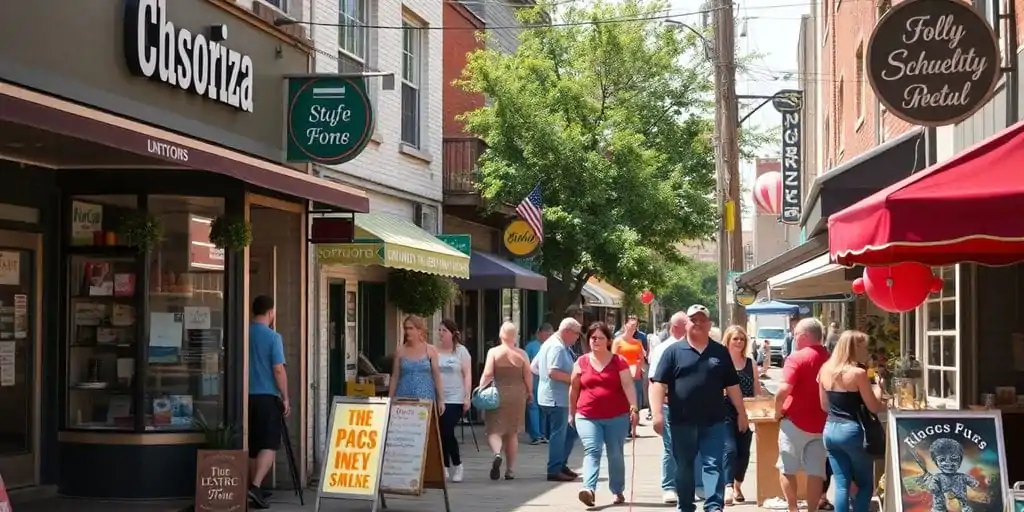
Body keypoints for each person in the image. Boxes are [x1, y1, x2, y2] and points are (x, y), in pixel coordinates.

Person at [651, 305, 749, 512]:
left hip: (713, 421)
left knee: (714, 465)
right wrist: (657, 413)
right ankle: (686, 505)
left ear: (709, 324)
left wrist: (742, 412)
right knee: (684, 467)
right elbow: (658, 383)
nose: (697, 323)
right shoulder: (673, 352)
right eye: (693, 319)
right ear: (686, 323)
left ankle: (714, 507)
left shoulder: (720, 352)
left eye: (702, 319)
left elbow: (732, 385)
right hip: (681, 422)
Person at [570, 321, 640, 506]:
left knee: (615, 453)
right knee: (592, 450)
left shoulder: (619, 361)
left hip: (616, 416)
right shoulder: (581, 362)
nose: (596, 341)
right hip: (587, 415)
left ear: (609, 340)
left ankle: (617, 490)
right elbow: (574, 389)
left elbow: (628, 385)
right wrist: (571, 413)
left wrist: (634, 407)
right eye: (593, 337)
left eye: (600, 337)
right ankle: (589, 489)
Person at [818, 331, 886, 512]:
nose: (866, 351)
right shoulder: (858, 373)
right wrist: (878, 389)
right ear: (854, 348)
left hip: (830, 430)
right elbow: (874, 407)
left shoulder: (825, 369)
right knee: (865, 484)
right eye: (864, 347)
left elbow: (824, 405)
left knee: (842, 483)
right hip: (852, 430)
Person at [773, 318, 830, 512]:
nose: (794, 338)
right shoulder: (831, 357)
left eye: (796, 334)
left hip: (794, 422)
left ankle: (793, 509)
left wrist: (776, 411)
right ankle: (812, 510)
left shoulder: (796, 358)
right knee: (816, 472)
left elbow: (783, 391)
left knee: (787, 468)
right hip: (823, 423)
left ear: (804, 336)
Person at [247, 296, 289, 509]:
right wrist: (286, 397)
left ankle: (255, 488)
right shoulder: (273, 337)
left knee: (252, 446)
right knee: (269, 444)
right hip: (266, 396)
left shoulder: (243, 333)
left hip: (244, 397)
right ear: (271, 312)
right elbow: (278, 369)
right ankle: (255, 486)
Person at [479, 322, 532, 480]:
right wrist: (530, 392)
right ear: (515, 336)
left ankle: (496, 453)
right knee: (512, 433)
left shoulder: (494, 352)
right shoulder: (522, 354)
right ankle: (510, 470)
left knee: (494, 429)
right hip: (518, 395)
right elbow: (528, 375)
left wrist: (480, 388)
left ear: (501, 335)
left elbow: (488, 373)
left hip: (498, 394)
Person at [533, 317, 582, 482]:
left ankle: (561, 464)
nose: (577, 338)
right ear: (567, 331)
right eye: (576, 334)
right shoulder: (557, 347)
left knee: (570, 431)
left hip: (551, 396)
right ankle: (554, 469)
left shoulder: (552, 343)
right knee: (559, 433)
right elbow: (553, 372)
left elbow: (535, 366)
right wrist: (575, 380)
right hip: (556, 398)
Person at [648, 312, 687, 505]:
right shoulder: (663, 349)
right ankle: (669, 486)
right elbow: (655, 381)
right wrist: (656, 412)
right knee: (671, 447)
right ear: (675, 328)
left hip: (692, 405)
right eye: (685, 325)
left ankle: (694, 485)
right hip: (669, 404)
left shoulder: (695, 347)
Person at [719, 326, 761, 505]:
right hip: (725, 410)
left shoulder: (749, 363)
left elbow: (756, 388)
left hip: (747, 410)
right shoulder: (720, 362)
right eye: (735, 339)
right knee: (730, 449)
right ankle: (727, 486)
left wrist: (760, 407)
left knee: (744, 452)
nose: (738, 342)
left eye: (742, 339)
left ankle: (737, 485)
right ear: (727, 340)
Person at [436, 319, 472, 482]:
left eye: (444, 331)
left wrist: (467, 396)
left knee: (447, 431)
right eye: (439, 330)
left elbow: (467, 374)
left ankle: (458, 464)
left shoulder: (461, 351)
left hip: (455, 398)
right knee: (440, 433)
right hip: (438, 398)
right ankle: (443, 466)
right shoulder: (434, 351)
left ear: (452, 334)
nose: (441, 334)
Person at [389, 315, 445, 407]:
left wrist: (441, 400)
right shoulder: (400, 351)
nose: (408, 332)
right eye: (406, 328)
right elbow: (395, 377)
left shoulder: (430, 350)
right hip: (403, 398)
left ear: (420, 331)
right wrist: (390, 399)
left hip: (425, 398)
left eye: (411, 328)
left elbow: (437, 376)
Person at [612, 316, 647, 438]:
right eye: (631, 325)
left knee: (635, 402)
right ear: (625, 325)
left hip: (636, 375)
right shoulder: (618, 341)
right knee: (623, 402)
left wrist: (639, 366)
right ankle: (622, 428)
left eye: (635, 325)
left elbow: (642, 359)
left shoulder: (638, 342)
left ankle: (632, 429)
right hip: (622, 375)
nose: (633, 328)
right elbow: (613, 359)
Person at [524, 323, 554, 444]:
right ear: (540, 333)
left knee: (536, 407)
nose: (548, 336)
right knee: (537, 407)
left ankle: (538, 434)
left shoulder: (532, 347)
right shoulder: (535, 347)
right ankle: (540, 434)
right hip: (538, 379)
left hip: (540, 380)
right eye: (547, 334)